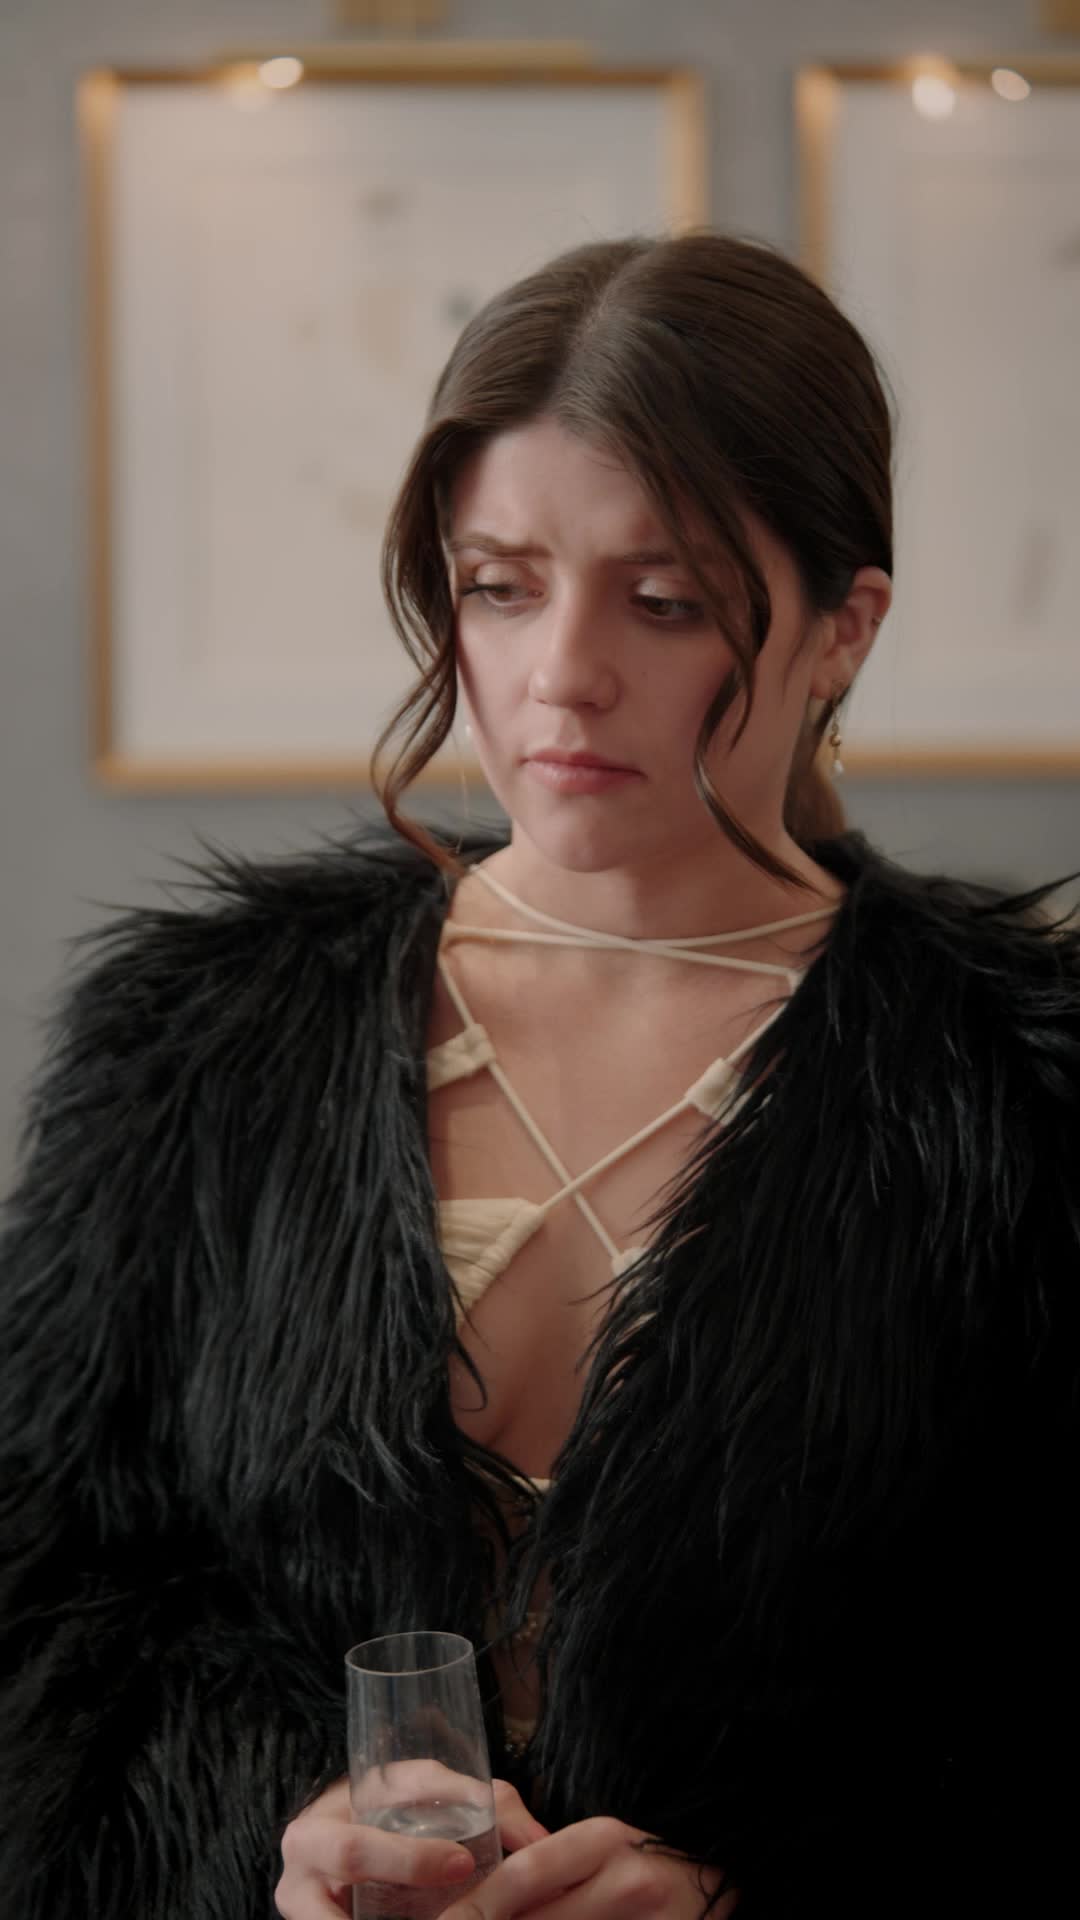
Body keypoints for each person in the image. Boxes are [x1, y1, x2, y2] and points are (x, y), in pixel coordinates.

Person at [2, 231, 1078, 1920]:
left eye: (664, 602)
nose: (561, 672)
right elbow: (47, 1614)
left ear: (844, 629)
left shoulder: (1021, 1092)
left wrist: (751, 1893)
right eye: (500, 586)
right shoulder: (193, 1043)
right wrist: (270, 1840)